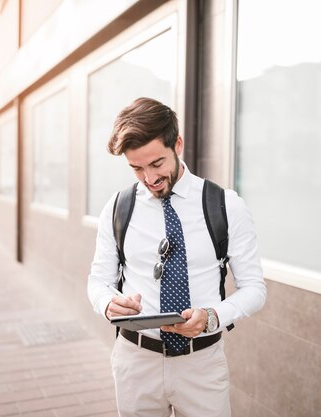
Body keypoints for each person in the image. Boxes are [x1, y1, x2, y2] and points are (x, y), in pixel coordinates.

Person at [87, 97, 266, 417]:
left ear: (178, 144)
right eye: (136, 168)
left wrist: (212, 317)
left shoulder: (226, 205)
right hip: (135, 362)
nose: (149, 178)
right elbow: (98, 280)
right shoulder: (117, 207)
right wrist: (106, 303)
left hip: (202, 366)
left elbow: (254, 289)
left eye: (156, 164)